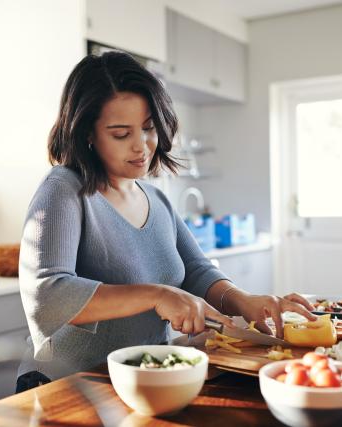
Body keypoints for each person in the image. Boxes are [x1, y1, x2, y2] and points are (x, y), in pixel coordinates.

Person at [16, 51, 315, 392]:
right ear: (87, 133)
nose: (142, 146)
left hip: (139, 382)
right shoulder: (63, 190)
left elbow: (197, 271)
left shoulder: (154, 198)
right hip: (66, 385)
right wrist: (156, 295)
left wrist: (242, 301)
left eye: (148, 128)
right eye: (120, 134)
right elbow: (46, 293)